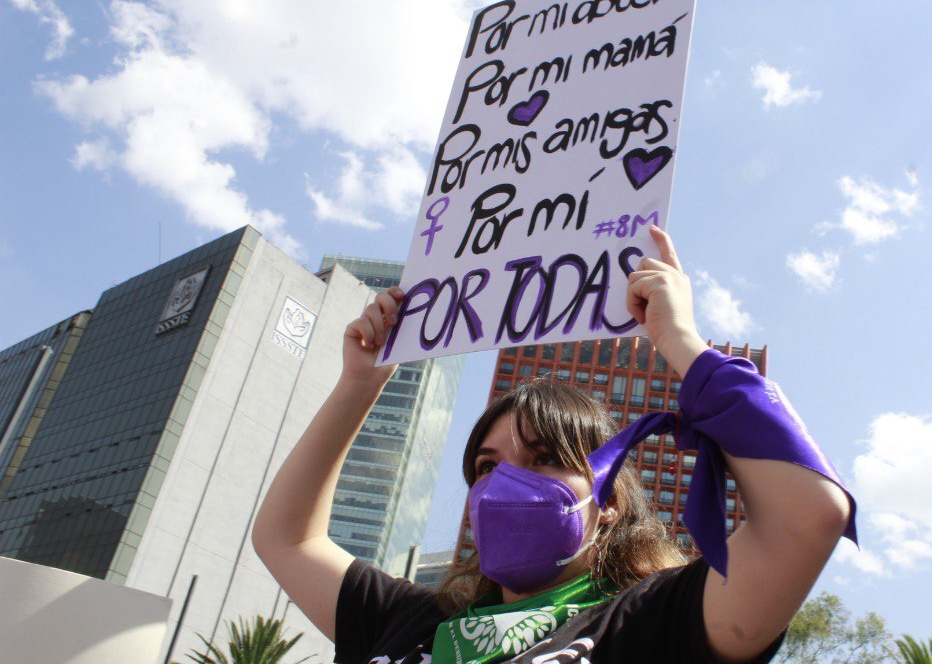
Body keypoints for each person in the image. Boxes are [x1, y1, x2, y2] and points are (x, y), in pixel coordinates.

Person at [252, 226, 856, 663]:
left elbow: (807, 516)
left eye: (543, 459)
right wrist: (360, 383)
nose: (505, 483)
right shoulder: (411, 621)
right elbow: (286, 537)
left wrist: (679, 339)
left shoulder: (658, 623)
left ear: (609, 503)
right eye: (486, 468)